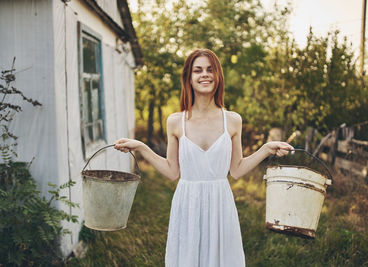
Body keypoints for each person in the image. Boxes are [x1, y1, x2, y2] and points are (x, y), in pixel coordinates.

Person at [114, 48, 294, 267]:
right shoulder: (175, 121)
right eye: (197, 70)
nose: (204, 74)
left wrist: (266, 149)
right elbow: (172, 171)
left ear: (218, 76)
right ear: (189, 78)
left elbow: (236, 170)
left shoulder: (233, 120)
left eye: (210, 70)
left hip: (220, 201)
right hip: (187, 202)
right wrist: (141, 147)